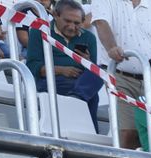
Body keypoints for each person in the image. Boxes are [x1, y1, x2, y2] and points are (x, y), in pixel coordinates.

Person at [93, 0, 151, 158]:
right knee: (128, 132)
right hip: (119, 75)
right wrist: (112, 47)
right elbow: (101, 23)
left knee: (148, 135)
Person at [27, 0, 105, 129]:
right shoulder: (39, 31)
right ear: (55, 15)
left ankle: (76, 97)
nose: (71, 27)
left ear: (83, 21)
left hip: (80, 81)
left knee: (99, 72)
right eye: (67, 21)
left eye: (76, 23)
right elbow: (32, 66)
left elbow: (93, 72)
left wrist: (87, 61)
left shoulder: (89, 37)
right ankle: (90, 130)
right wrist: (60, 70)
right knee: (92, 97)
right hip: (51, 80)